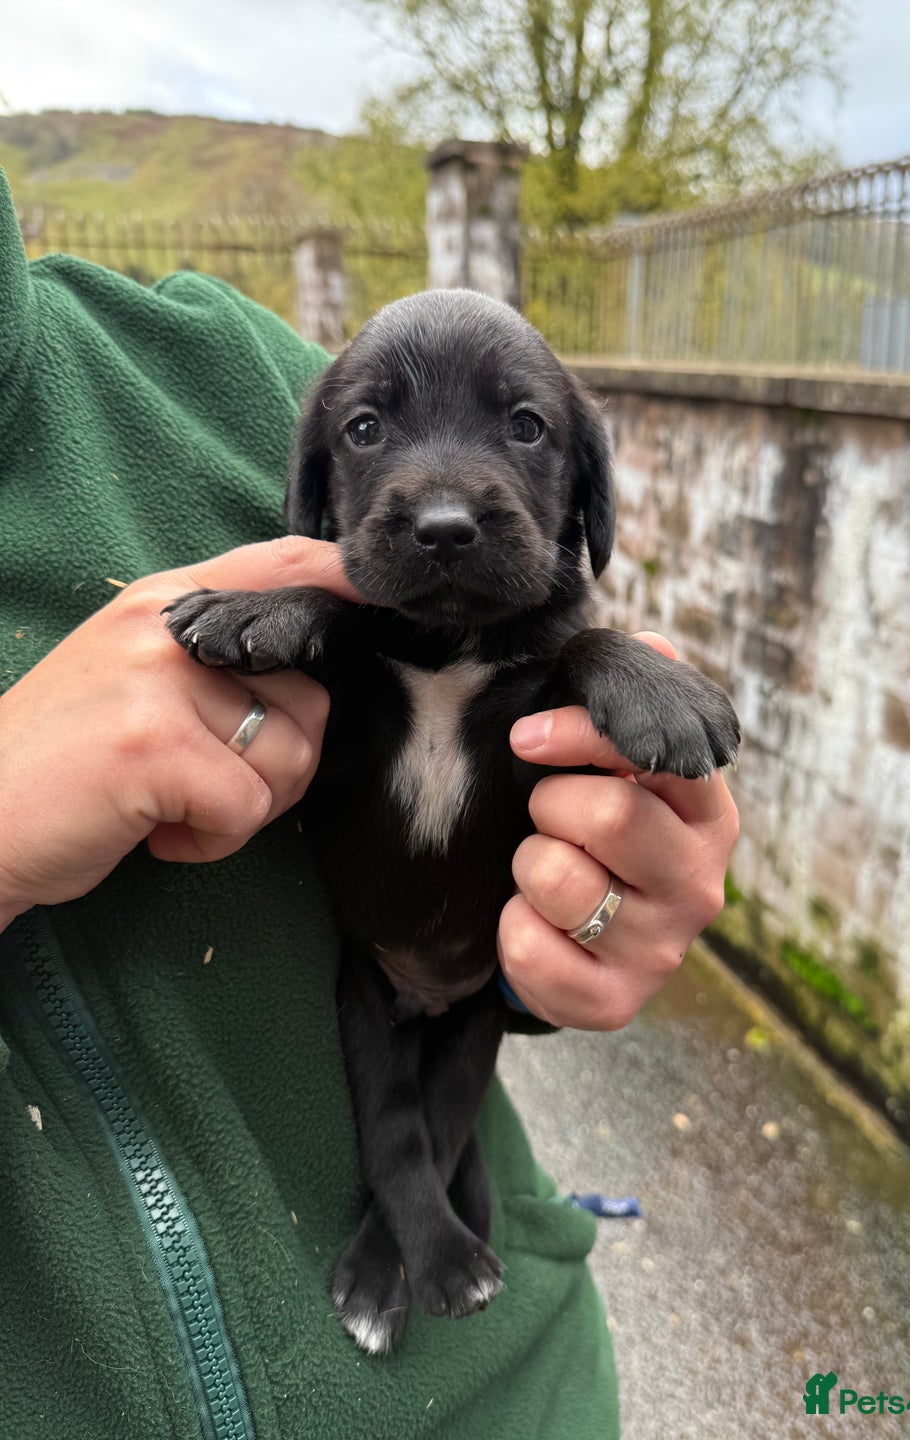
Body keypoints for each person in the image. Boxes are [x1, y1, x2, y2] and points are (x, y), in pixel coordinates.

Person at [0, 167, 739, 1440]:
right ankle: (413, 1238)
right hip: (367, 965)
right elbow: (318, 629)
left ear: (585, 498)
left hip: (526, 1389)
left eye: (519, 431)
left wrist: (606, 889)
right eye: (373, 435)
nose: (443, 499)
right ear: (318, 486)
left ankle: (424, 1238)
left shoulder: (217, 364)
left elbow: (579, 694)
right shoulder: (305, 508)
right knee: (384, 1052)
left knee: (455, 1056)